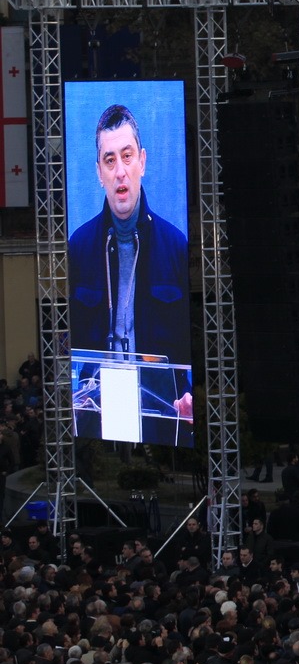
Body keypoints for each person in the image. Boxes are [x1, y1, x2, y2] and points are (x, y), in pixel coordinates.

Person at [66, 103, 193, 445]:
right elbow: (67, 340)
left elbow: (189, 340)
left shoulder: (176, 247)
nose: (120, 171)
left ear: (142, 162)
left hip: (160, 414)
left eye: (127, 156)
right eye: (110, 160)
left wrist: (191, 393)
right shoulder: (78, 247)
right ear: (99, 172)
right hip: (96, 416)